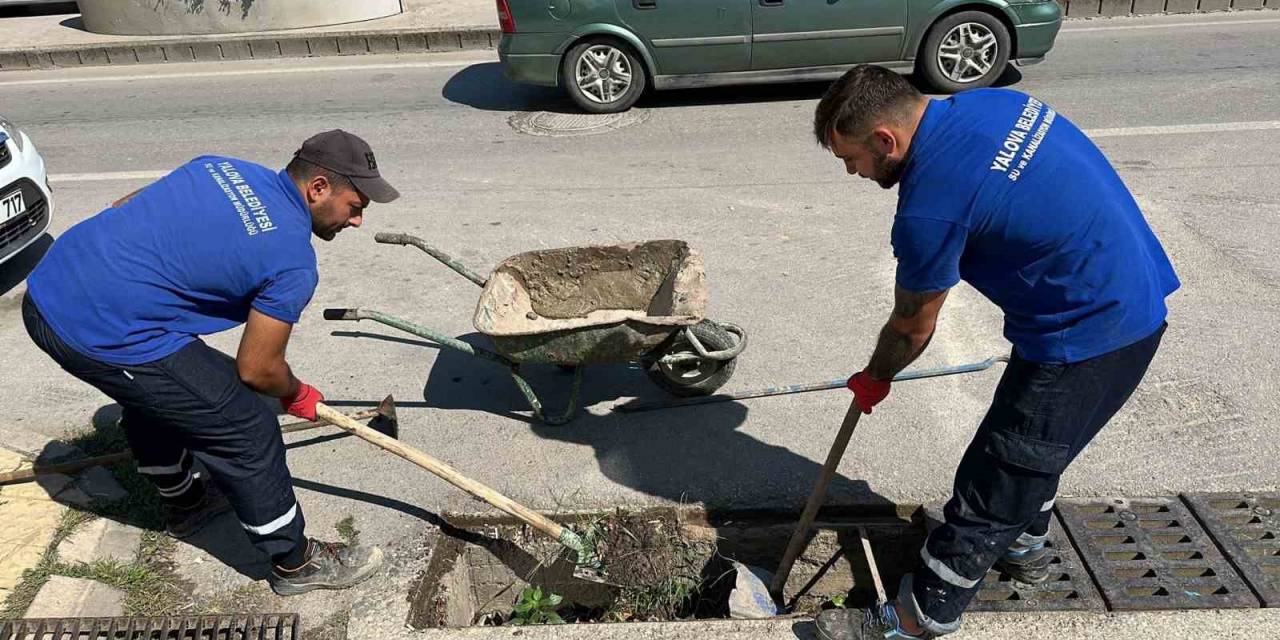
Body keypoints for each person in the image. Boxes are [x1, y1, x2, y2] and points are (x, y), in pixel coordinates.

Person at [810, 66, 1179, 639]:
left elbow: (912, 327)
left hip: (1088, 333)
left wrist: (875, 376)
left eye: (850, 159)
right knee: (1035, 442)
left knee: (999, 474)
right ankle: (1025, 543)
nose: (854, 172)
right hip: (1130, 296)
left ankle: (920, 616)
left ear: (886, 139)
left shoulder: (929, 206)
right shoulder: (993, 104)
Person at [23, 130, 399, 597]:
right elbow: (257, 369)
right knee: (247, 426)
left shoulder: (221, 168)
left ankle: (187, 503)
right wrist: (295, 395)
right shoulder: (292, 260)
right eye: (355, 205)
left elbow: (127, 203)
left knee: (166, 396)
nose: (358, 220)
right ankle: (294, 563)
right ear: (318, 188)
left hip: (53, 284)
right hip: (91, 327)